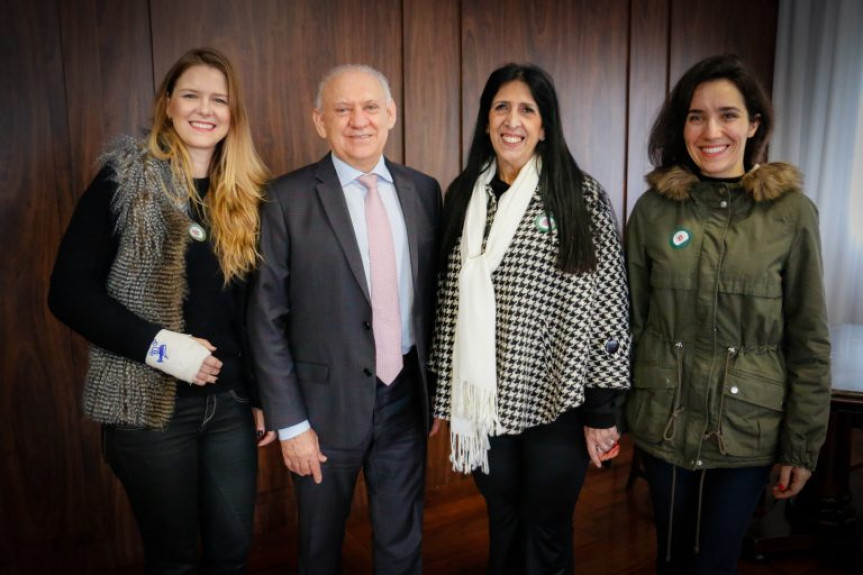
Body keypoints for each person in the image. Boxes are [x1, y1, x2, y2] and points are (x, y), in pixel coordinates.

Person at [48, 47, 275, 573]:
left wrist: (264, 396)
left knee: (232, 552)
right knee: (173, 561)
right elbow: (68, 292)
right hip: (150, 410)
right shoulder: (125, 180)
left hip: (231, 408)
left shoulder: (247, 196)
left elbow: (255, 311)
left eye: (220, 99)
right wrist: (165, 348)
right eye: (192, 95)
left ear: (233, 115)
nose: (205, 109)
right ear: (167, 104)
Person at [625, 54, 831, 574]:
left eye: (728, 115)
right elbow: (629, 320)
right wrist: (609, 413)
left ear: (754, 124)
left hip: (747, 428)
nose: (711, 130)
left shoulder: (791, 213)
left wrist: (801, 447)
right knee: (670, 559)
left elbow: (809, 339)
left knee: (714, 564)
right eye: (696, 116)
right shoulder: (653, 210)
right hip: (664, 422)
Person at [429, 63, 631, 575]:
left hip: (555, 401)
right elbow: (442, 301)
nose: (512, 120)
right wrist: (437, 391)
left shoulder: (578, 196)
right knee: (503, 516)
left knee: (546, 525)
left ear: (545, 125)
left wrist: (602, 411)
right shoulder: (462, 195)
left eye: (527, 110)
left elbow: (608, 303)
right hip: (482, 403)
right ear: (485, 120)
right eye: (501, 107)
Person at [247, 64, 441, 574]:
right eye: (342, 108)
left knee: (403, 543)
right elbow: (265, 318)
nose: (358, 120)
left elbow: (434, 301)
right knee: (319, 548)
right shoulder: (284, 199)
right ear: (319, 121)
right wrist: (290, 423)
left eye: (371, 106)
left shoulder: (425, 191)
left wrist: (436, 392)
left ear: (391, 114)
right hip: (320, 409)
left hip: (403, 398)